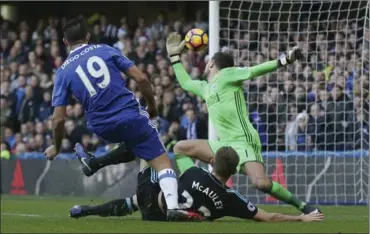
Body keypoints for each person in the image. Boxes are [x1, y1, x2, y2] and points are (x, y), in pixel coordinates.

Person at [43, 16, 200, 221]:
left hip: (100, 126)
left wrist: (55, 146)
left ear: (65, 42)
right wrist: (152, 106)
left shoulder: (63, 72)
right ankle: (173, 207)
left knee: (135, 143)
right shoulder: (106, 50)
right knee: (162, 162)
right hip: (129, 115)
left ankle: (94, 163)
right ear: (88, 36)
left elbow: (58, 119)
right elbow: (141, 78)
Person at [165, 32, 320, 215]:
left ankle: (302, 206)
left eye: (208, 62)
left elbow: (255, 70)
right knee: (180, 148)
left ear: (211, 64)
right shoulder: (205, 88)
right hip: (223, 145)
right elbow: (185, 82)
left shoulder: (227, 74)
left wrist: (284, 60)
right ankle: (195, 190)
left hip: (243, 140)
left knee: (261, 183)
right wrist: (174, 57)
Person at [69, 147, 324, 222]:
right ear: (235, 171)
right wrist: (300, 219)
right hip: (158, 219)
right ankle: (86, 210)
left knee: (143, 143)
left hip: (152, 196)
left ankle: (95, 165)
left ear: (212, 162)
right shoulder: (231, 199)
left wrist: (207, 156)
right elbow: (267, 217)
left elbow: (181, 149)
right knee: (134, 203)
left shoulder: (193, 172)